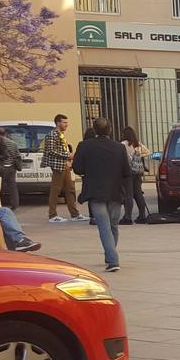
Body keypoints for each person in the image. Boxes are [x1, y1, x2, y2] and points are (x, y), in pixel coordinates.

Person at [72, 117, 129, 272]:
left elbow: (77, 168)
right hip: (115, 191)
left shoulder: (84, 146)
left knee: (104, 226)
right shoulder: (119, 147)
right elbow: (126, 171)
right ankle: (111, 253)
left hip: (95, 191)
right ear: (110, 129)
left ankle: (112, 259)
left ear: (94, 130)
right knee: (113, 225)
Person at [42, 114, 84, 222]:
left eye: (67, 122)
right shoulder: (52, 134)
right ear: (58, 123)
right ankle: (52, 215)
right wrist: (67, 155)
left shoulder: (61, 134)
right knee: (56, 190)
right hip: (57, 166)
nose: (67, 125)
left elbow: (62, 149)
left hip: (64, 165)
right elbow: (51, 151)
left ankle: (74, 214)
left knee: (70, 189)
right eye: (64, 122)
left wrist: (68, 160)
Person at [117, 127, 150, 224]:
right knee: (138, 194)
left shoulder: (122, 145)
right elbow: (147, 152)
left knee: (128, 195)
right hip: (137, 172)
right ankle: (142, 215)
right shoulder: (138, 144)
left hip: (127, 173)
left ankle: (128, 217)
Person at [0, 125, 22, 210]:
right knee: (12, 186)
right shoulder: (13, 143)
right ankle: (15, 204)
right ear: (6, 133)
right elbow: (17, 155)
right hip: (11, 167)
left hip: (0, 167)